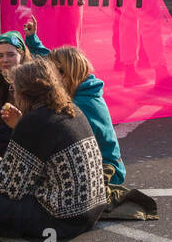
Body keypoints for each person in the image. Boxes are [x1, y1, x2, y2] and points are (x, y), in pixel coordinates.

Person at [0, 59, 107, 240]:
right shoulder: (71, 109)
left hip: (61, 219)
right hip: (91, 211)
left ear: (24, 93)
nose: (12, 94)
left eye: (13, 89)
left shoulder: (34, 121)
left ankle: (4, 229)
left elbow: (8, 186)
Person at [49, 45, 126, 185]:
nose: (49, 80)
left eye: (51, 74)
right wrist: (34, 41)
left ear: (66, 73)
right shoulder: (86, 89)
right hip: (106, 165)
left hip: (107, 172)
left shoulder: (79, 103)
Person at [0, 24, 45, 154]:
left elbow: (31, 128)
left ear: (21, 55)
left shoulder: (33, 83)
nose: (5, 60)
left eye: (10, 54)